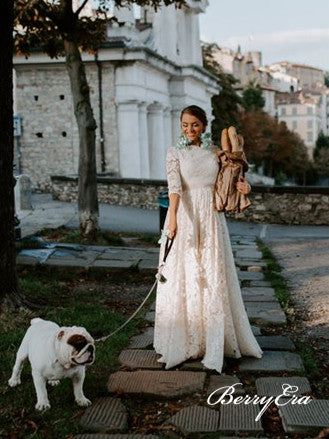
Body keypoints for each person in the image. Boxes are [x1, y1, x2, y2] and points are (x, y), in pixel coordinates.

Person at [153, 105, 263, 374]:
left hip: (212, 217)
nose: (189, 130)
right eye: (184, 125)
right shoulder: (174, 153)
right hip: (185, 215)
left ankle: (214, 339)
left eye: (194, 125)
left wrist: (244, 187)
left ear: (204, 125)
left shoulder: (218, 153)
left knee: (213, 276)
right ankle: (186, 339)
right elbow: (174, 188)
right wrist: (174, 219)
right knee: (187, 275)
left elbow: (231, 179)